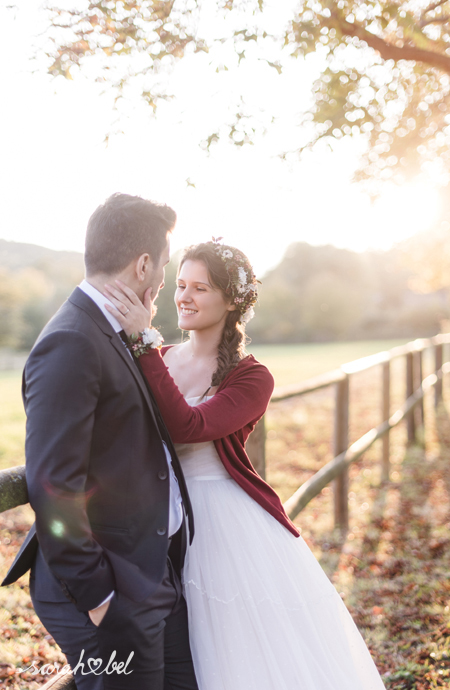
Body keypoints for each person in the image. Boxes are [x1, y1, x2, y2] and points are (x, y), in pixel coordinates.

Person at [104, 239, 387, 690]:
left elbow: (188, 426)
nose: (184, 297)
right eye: (180, 285)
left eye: (200, 288)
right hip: (157, 516)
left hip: (223, 523)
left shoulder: (252, 377)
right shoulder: (159, 358)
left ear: (232, 300)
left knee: (233, 647)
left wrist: (142, 339)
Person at [2, 193, 199, 690]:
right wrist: (100, 599)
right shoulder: (71, 341)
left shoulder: (117, 331)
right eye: (164, 269)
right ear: (144, 264)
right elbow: (52, 481)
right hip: (109, 587)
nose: (163, 284)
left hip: (150, 574)